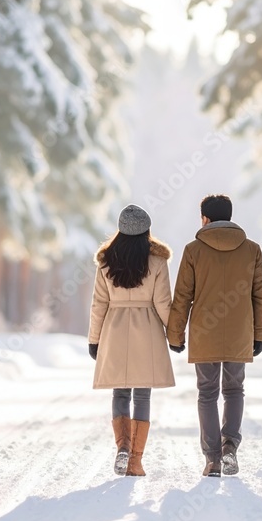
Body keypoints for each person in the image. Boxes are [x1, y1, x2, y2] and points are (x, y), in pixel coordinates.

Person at [167, 195, 262, 477]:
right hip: (240, 332)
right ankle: (230, 447)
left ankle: (212, 459)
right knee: (235, 390)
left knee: (207, 393)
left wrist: (175, 335)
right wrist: (259, 334)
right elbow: (261, 295)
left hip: (205, 331)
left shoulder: (192, 251)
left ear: (205, 219)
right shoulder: (252, 250)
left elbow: (182, 297)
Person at [88, 204, 176, 477]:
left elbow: (98, 304)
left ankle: (122, 448)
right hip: (147, 329)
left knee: (120, 392)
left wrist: (94, 340)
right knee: (142, 395)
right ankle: (136, 460)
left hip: (113, 329)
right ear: (147, 231)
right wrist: (175, 335)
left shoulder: (105, 261)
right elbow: (163, 303)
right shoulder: (157, 262)